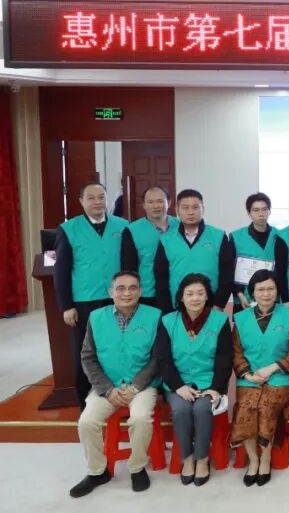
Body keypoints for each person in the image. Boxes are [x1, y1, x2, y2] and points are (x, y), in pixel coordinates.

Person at [70, 271, 161, 498]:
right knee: (87, 421)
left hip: (142, 386)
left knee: (140, 418)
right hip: (107, 386)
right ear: (111, 292)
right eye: (120, 288)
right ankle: (97, 472)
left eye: (132, 288)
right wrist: (107, 389)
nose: (126, 293)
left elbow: (158, 359)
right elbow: (88, 357)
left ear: (140, 291)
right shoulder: (96, 317)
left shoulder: (155, 316)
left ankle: (137, 468)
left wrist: (135, 387)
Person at [55, 182, 130, 406]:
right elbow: (61, 271)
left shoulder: (123, 226)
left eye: (101, 197)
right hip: (84, 301)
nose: (97, 202)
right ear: (81, 201)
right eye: (91, 198)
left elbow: (128, 263)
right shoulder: (69, 229)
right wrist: (66, 306)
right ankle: (86, 403)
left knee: (118, 349)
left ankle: (119, 398)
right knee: (85, 352)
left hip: (118, 299)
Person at [155, 273, 232, 486]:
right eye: (189, 294)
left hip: (209, 382)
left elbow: (225, 358)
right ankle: (187, 459)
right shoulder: (168, 321)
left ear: (207, 296)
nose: (195, 298)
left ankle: (202, 459)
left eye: (200, 293)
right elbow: (163, 359)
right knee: (181, 410)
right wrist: (178, 386)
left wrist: (216, 388)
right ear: (181, 297)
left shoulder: (220, 320)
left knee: (201, 409)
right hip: (177, 383)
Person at [230, 270, 289, 487]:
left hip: (281, 377)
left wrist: (272, 368)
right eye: (260, 290)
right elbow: (235, 352)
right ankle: (253, 460)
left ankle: (266, 459)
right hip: (249, 378)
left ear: (277, 291)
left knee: (266, 406)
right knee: (245, 407)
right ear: (252, 293)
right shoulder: (241, 318)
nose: (266, 294)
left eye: (270, 289)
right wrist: (247, 374)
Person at [153, 189, 234, 313]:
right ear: (177, 210)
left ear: (203, 209)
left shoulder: (218, 236)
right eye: (185, 208)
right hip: (177, 305)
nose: (190, 212)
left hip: (211, 305)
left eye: (195, 207)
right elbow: (161, 278)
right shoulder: (166, 239)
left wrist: (219, 303)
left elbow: (227, 273)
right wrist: (166, 309)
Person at [120, 186, 178, 307]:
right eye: (150, 202)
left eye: (160, 201)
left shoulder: (180, 226)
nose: (155, 206)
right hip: (148, 293)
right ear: (144, 205)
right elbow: (129, 267)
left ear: (169, 202)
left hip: (179, 290)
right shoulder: (132, 230)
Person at [229, 193, 278, 309]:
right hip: (244, 299)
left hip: (271, 297)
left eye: (264, 209)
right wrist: (239, 294)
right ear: (248, 212)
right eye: (256, 210)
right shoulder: (236, 236)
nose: (261, 214)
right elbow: (229, 269)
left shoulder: (279, 236)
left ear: (269, 211)